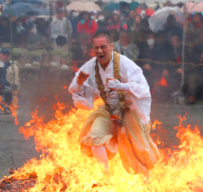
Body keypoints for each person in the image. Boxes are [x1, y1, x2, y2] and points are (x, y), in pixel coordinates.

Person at [68, 30, 159, 177]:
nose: (99, 51)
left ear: (111, 47)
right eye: (96, 48)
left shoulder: (126, 65)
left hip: (130, 110)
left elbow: (142, 89)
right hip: (108, 109)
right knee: (95, 138)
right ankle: (105, 178)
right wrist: (79, 83)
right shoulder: (90, 66)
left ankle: (145, 185)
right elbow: (74, 89)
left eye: (103, 47)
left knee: (137, 149)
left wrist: (120, 86)